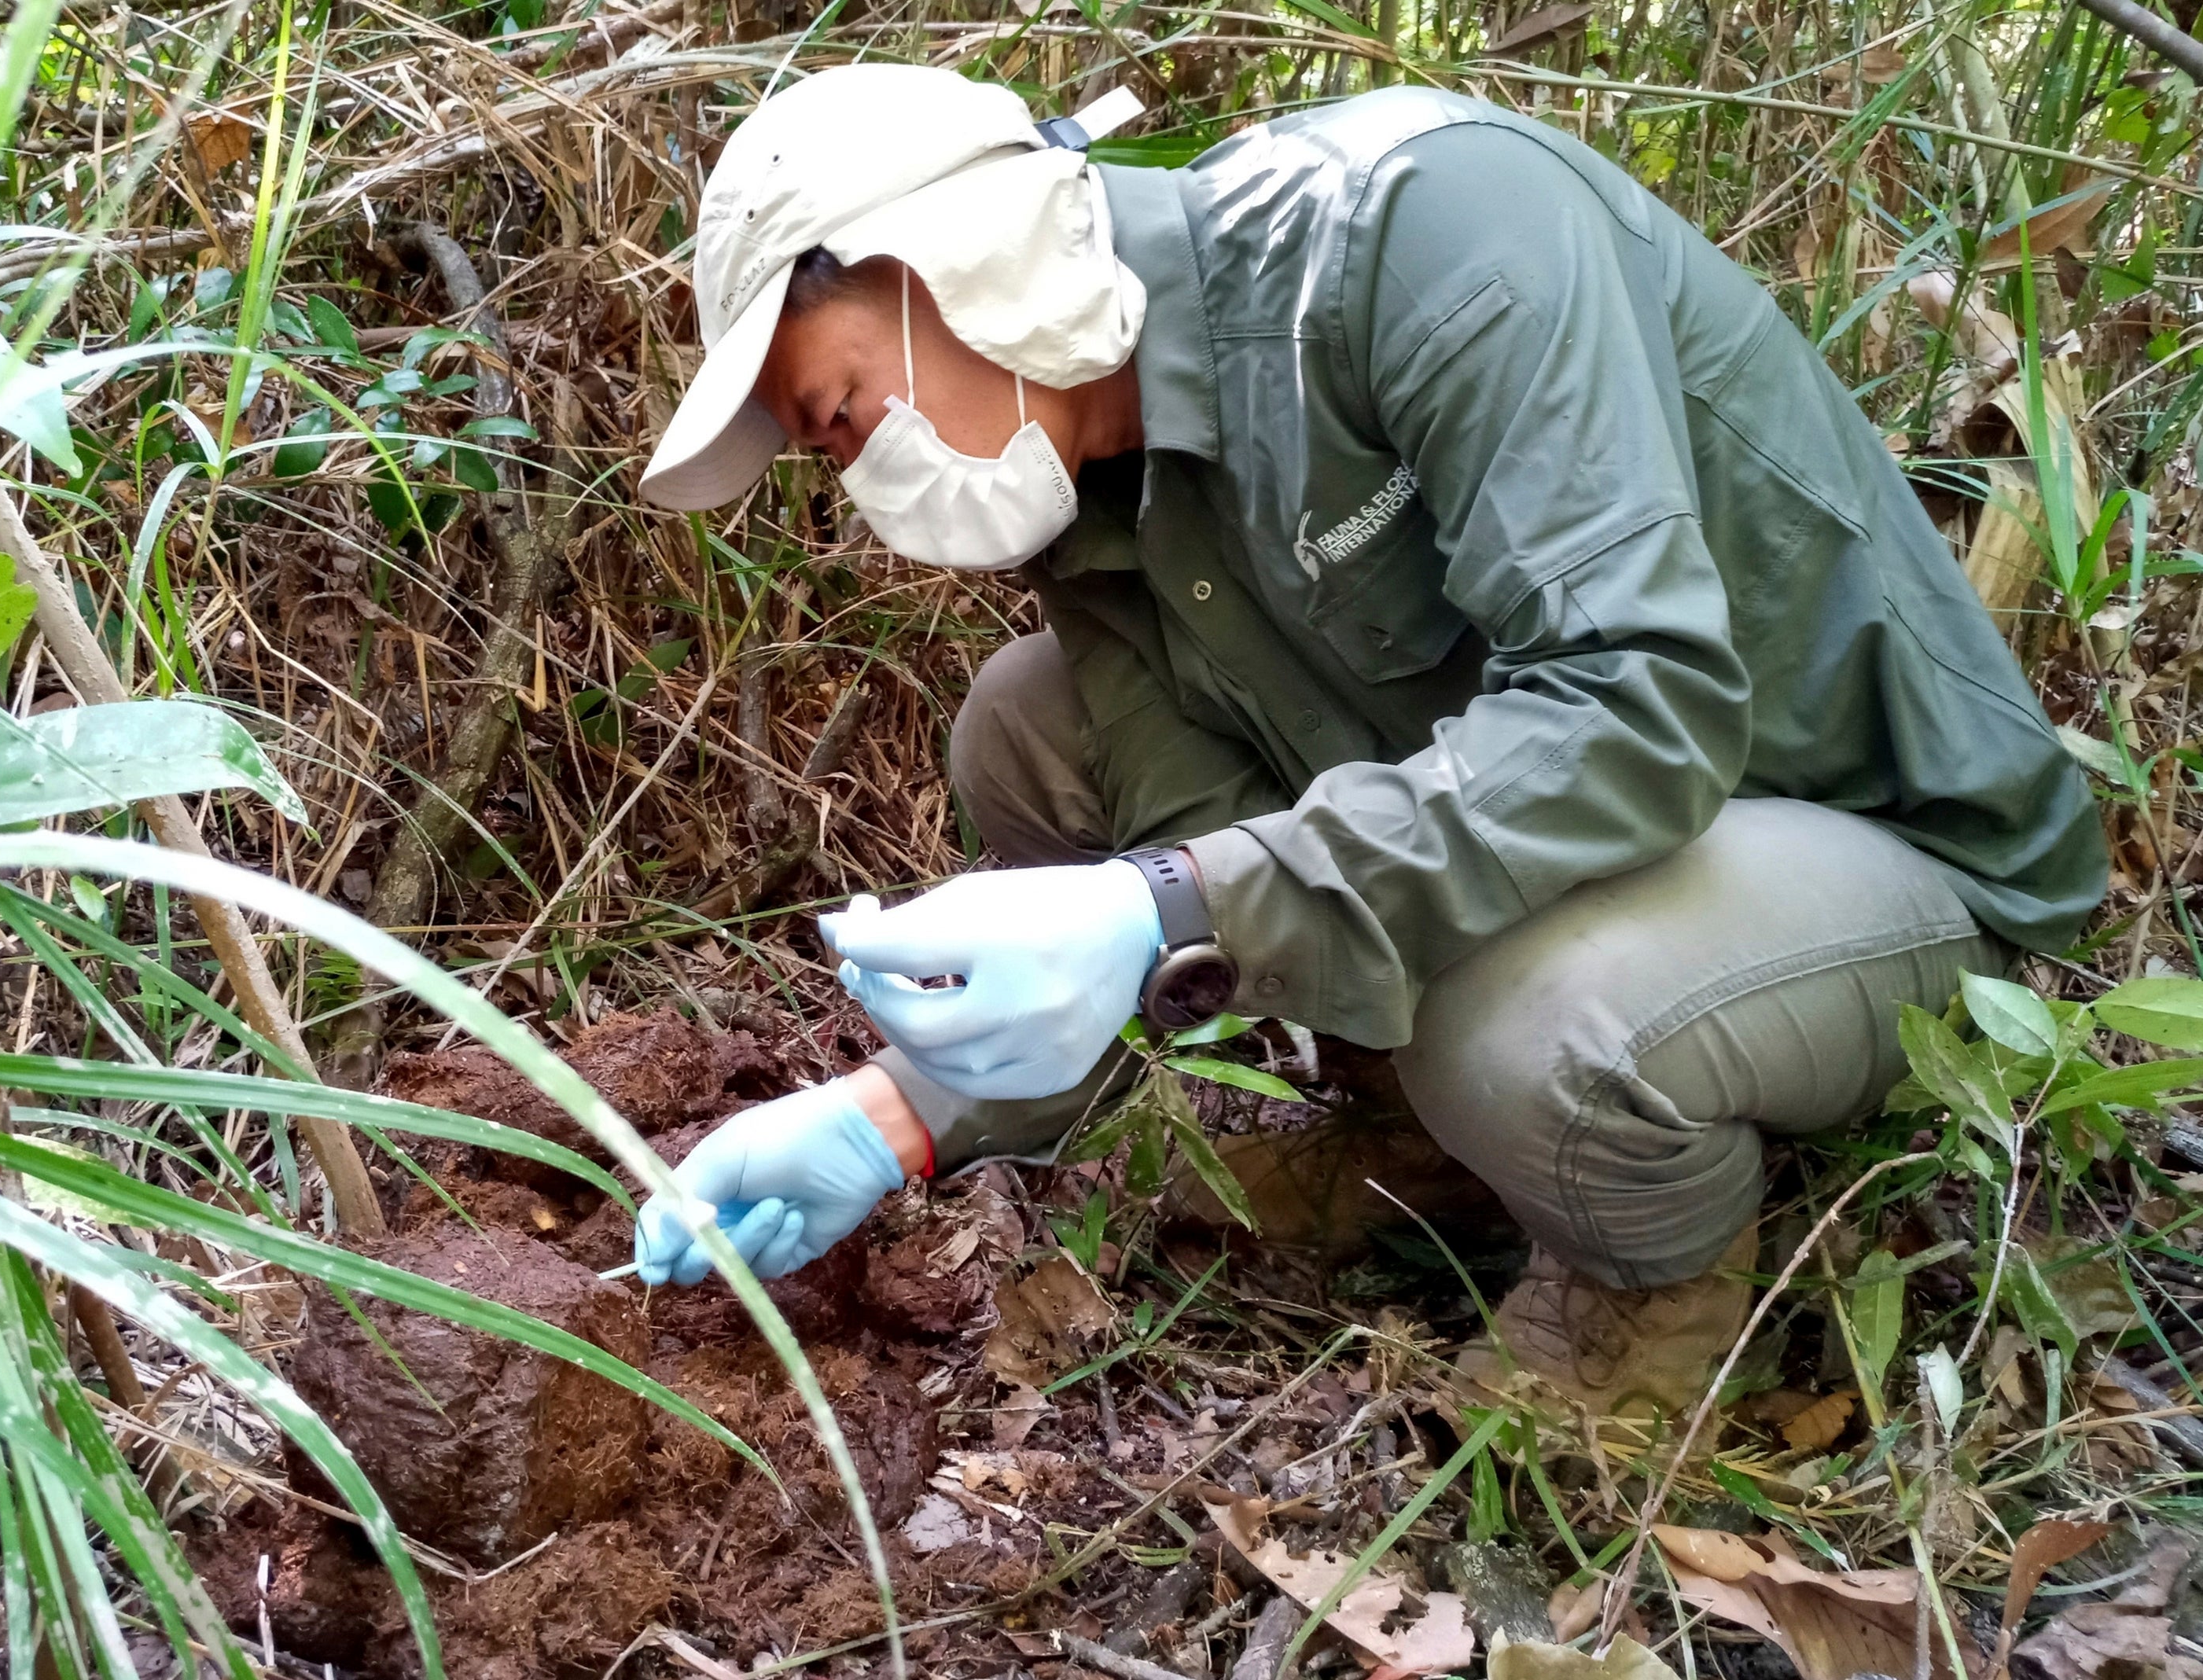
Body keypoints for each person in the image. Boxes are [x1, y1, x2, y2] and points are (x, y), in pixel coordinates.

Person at [624, 64, 2104, 1417]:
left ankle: (1653, 1288)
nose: (866, 479)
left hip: (1861, 846)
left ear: (967, 257)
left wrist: (1164, 904)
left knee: (1530, 1025)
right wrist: (894, 1115)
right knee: (1027, 729)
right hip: (1594, 838)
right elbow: (1188, 852)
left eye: (845, 412)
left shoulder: (1423, 228)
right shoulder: (1089, 486)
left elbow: (1638, 713)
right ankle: (1430, 1141)